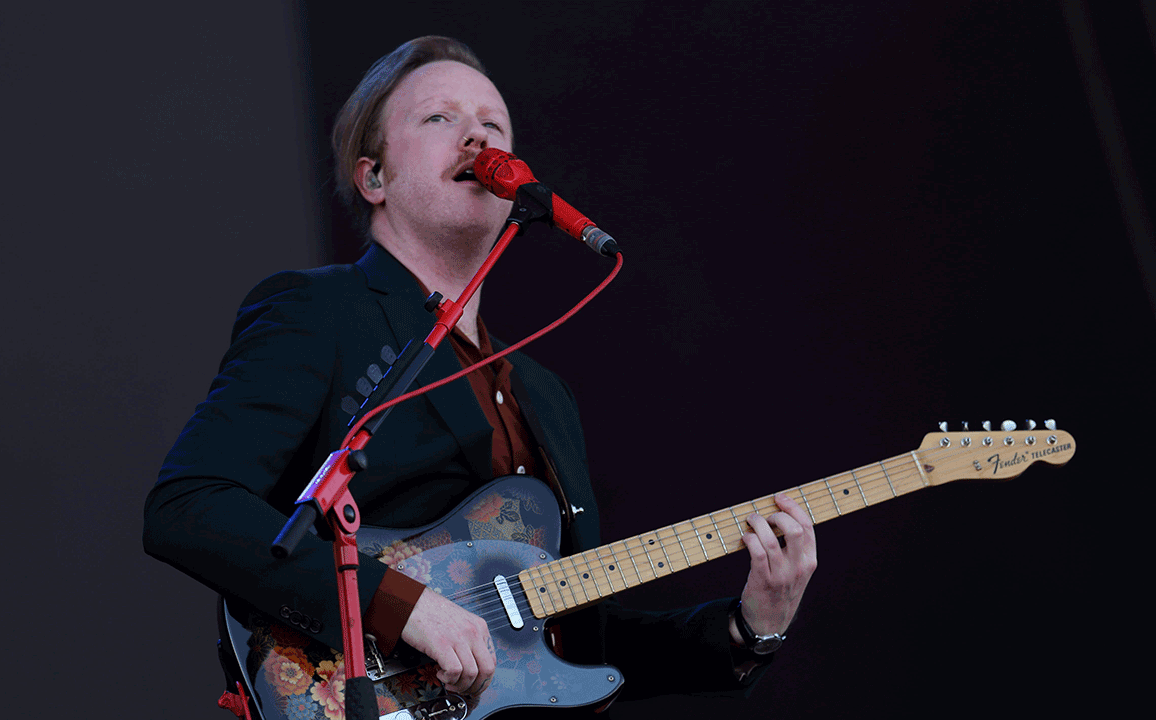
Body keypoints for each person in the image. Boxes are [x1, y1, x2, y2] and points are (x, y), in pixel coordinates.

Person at [144, 36, 816, 718]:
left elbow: (575, 641)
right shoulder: (319, 312)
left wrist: (749, 627)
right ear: (373, 177)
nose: (476, 136)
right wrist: (403, 607)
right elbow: (189, 506)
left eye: (494, 125)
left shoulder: (544, 394)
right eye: (439, 117)